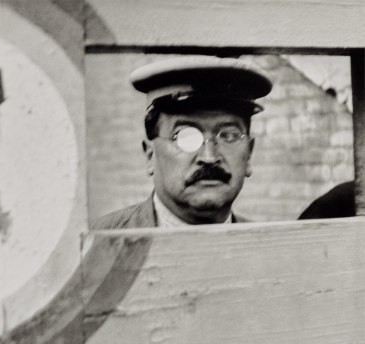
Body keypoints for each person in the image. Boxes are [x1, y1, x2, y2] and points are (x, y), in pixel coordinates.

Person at [92, 56, 273, 229]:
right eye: (186, 137)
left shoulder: (272, 251)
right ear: (150, 155)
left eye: (228, 136)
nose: (209, 157)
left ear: (249, 155)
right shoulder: (97, 245)